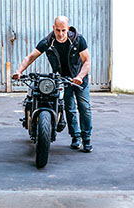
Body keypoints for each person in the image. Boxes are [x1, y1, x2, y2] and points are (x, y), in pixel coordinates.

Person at [13, 16, 93, 152]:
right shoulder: (47, 42)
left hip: (80, 80)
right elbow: (30, 57)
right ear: (53, 28)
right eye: (57, 30)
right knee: (69, 108)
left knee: (84, 108)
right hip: (62, 80)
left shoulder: (78, 40)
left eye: (63, 30)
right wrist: (19, 71)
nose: (60, 34)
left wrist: (79, 77)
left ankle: (86, 139)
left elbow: (87, 61)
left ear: (68, 29)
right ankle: (75, 137)